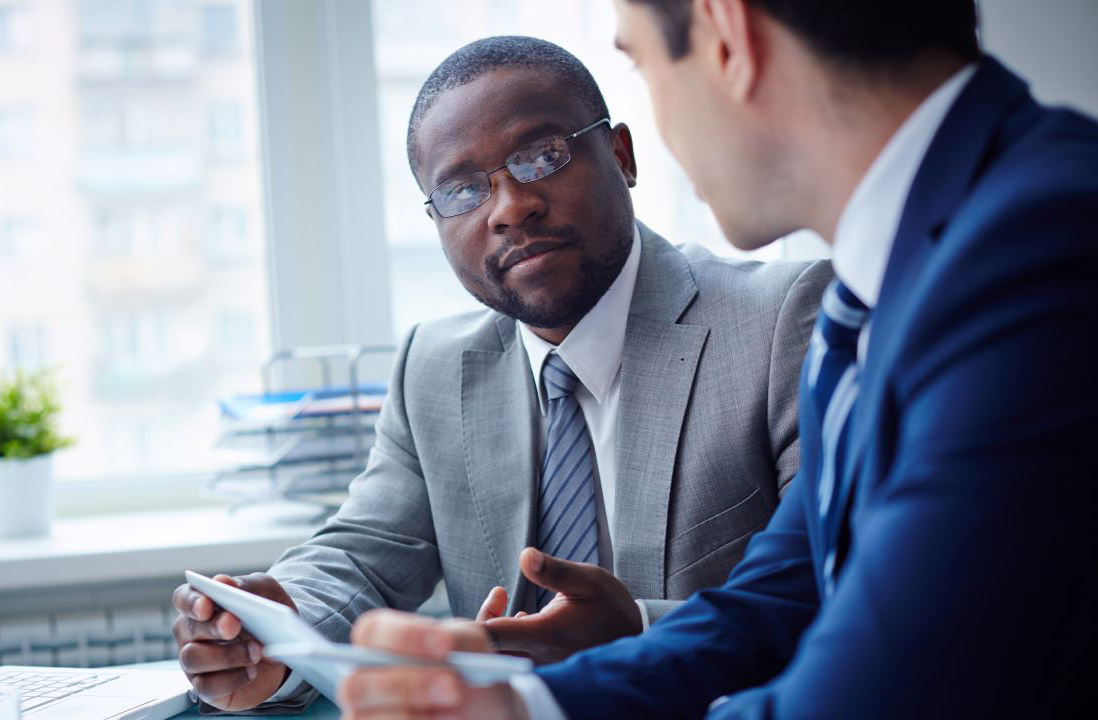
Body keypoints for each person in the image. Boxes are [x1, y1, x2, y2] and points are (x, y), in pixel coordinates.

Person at [339, 0, 1098, 718]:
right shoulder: (883, 285)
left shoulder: (1041, 249)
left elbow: (881, 691)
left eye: (641, 64)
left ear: (726, 34)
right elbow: (777, 604)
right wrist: (527, 706)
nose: (510, 207)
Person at [171, 36, 830, 712]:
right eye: (462, 189)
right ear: (434, 221)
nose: (510, 207)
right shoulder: (433, 367)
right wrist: (274, 626)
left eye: (542, 157)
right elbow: (363, 552)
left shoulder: (781, 322)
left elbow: (826, 596)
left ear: (621, 157)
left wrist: (635, 632)